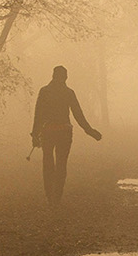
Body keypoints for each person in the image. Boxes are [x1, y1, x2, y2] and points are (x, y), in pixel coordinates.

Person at [31, 65, 101, 205]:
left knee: (48, 163)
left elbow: (38, 114)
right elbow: (78, 114)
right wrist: (89, 130)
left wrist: (35, 134)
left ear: (53, 75)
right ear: (65, 77)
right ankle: (57, 196)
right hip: (64, 133)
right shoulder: (69, 93)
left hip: (48, 133)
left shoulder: (44, 92)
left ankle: (50, 195)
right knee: (61, 164)